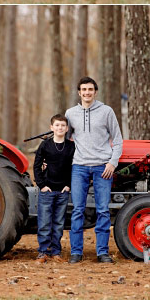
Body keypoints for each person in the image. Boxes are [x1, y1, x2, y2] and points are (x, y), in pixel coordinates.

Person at [65, 77, 122, 263]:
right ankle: (76, 252)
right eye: (84, 89)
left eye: (90, 89)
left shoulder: (106, 111)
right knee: (77, 210)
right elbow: (64, 140)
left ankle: (102, 252)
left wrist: (112, 163)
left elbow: (118, 140)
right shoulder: (70, 113)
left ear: (95, 92)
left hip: (102, 168)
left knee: (103, 210)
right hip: (79, 167)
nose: (87, 92)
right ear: (79, 92)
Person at [33, 113, 74, 263]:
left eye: (63, 125)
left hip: (62, 190)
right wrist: (42, 185)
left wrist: (68, 185)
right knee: (44, 222)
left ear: (67, 128)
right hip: (47, 190)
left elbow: (73, 167)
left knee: (58, 223)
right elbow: (37, 166)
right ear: (52, 127)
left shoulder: (71, 146)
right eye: (57, 125)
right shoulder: (45, 145)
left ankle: (56, 252)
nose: (60, 128)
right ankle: (43, 252)